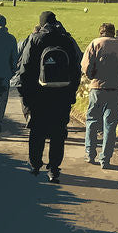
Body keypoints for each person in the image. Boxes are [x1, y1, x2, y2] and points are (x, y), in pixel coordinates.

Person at [15, 11, 82, 184]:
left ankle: (35, 164)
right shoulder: (67, 40)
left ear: (41, 23)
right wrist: (71, 93)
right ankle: (53, 169)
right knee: (58, 133)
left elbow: (25, 68)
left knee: (37, 130)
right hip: (62, 95)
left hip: (39, 95)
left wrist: (26, 95)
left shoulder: (35, 39)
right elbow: (76, 69)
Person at [81, 22, 118, 169]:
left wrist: (92, 76)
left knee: (92, 120)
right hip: (116, 88)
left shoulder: (95, 43)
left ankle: (90, 153)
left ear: (101, 32)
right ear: (113, 32)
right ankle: (105, 159)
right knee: (110, 123)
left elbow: (86, 66)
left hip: (97, 88)